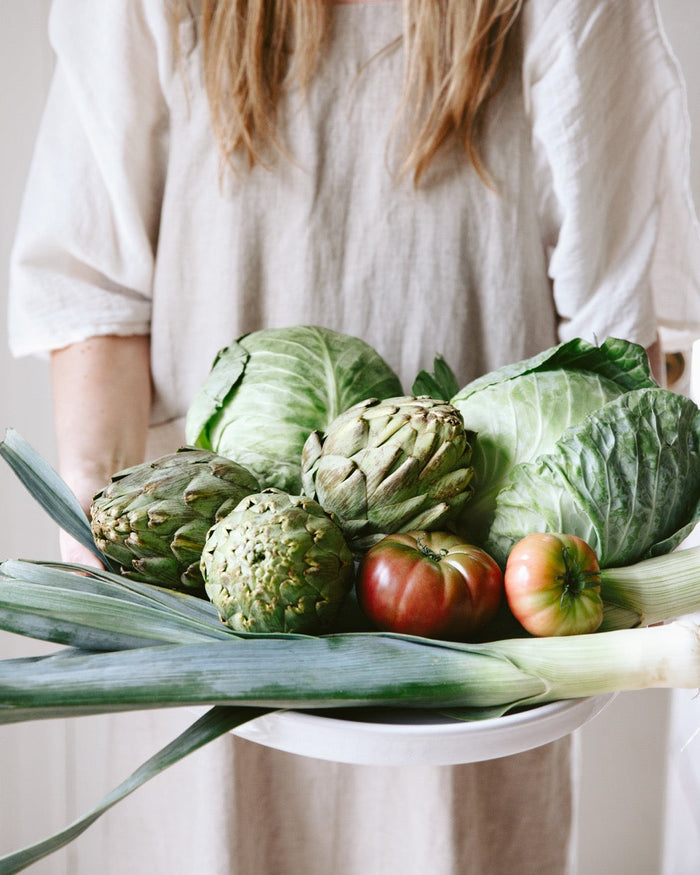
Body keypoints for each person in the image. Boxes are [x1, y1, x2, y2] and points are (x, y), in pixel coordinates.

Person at [8, 0, 700, 872]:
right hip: (220, 608)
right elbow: (95, 280)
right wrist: (110, 532)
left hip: (474, 629)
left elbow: (618, 342)